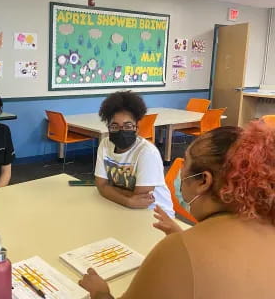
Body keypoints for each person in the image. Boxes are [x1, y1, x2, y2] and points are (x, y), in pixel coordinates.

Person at [80, 122, 275, 299]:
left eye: (185, 164)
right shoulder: (266, 227)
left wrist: (100, 293)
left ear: (203, 181)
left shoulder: (177, 251)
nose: (179, 172)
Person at [94, 91, 174, 216]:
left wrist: (108, 189)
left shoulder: (147, 153)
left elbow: (142, 199)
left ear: (136, 128)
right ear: (109, 128)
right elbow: (100, 185)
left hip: (155, 215)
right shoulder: (105, 145)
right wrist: (128, 200)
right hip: (123, 208)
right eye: (115, 126)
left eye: (128, 126)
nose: (121, 131)